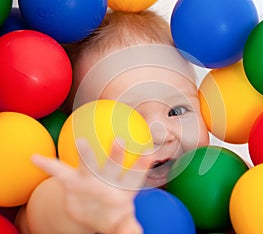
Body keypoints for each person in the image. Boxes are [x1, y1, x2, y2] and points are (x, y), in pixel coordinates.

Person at [15, 10, 209, 234]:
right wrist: (84, 210)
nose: (160, 135)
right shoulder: (72, 188)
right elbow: (38, 214)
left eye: (176, 111)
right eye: (127, 120)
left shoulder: (220, 186)